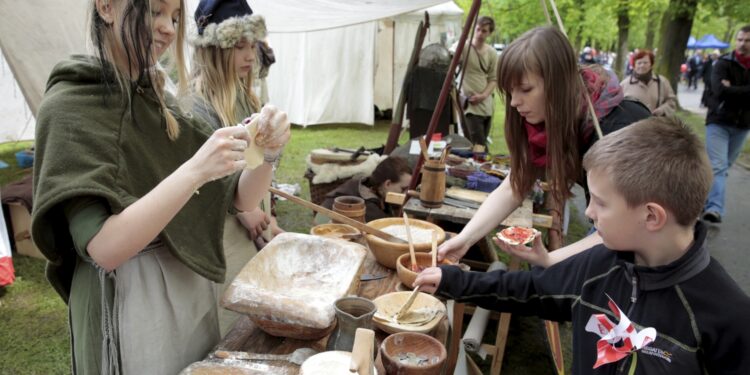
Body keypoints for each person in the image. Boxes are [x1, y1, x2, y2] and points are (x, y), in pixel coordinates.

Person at [30, 0, 290, 373]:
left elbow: (239, 197)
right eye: (155, 11)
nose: (168, 27)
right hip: (129, 301)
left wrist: (267, 152)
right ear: (106, 7)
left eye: (174, 17)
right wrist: (195, 170)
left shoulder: (160, 103)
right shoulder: (70, 105)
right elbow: (103, 249)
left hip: (185, 287)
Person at [415, 117, 750, 374]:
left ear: (651, 217)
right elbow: (530, 289)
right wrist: (451, 280)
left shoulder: (728, 317)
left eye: (601, 204)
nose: (588, 212)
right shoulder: (598, 268)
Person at [438, 26, 651, 268]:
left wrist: (552, 260)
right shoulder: (545, 124)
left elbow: (626, 227)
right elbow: (515, 186)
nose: (516, 102)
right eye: (510, 92)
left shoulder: (619, 128)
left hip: (649, 251)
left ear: (558, 83)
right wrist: (465, 239)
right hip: (611, 233)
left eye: (526, 89)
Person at [189, 0, 283, 334]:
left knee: (254, 309)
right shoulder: (195, 107)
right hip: (222, 233)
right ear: (214, 49)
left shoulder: (246, 98)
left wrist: (265, 213)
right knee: (229, 320)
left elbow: (255, 166)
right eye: (238, 46)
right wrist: (243, 210)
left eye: (252, 45)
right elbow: (199, 186)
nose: (249, 55)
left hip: (252, 228)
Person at [702, 25, 750, 223]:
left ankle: (701, 197)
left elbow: (728, 91)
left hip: (742, 124)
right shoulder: (723, 62)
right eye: (739, 39)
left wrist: (733, 89)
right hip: (719, 121)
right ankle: (714, 208)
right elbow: (718, 90)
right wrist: (744, 91)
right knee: (719, 166)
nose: (742, 43)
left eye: (747, 40)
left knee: (723, 166)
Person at [320, 156, 411, 223]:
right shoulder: (369, 207)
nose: (405, 193)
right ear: (387, 184)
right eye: (403, 189)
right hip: (325, 234)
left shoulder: (370, 186)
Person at [457, 16, 498, 150]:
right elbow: (451, 58)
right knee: (478, 145)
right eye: (478, 29)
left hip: (486, 106)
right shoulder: (464, 47)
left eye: (484, 31)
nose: (480, 33)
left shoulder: (491, 53)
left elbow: (493, 78)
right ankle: (482, 169)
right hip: (470, 106)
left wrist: (483, 96)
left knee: (480, 143)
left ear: (489, 33)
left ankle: (480, 169)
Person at [620, 49, 677, 117]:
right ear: (634, 65)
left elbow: (671, 101)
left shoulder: (662, 82)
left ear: (651, 64)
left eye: (645, 62)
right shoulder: (624, 84)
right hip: (633, 125)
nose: (642, 65)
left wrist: (662, 110)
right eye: (639, 63)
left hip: (657, 124)